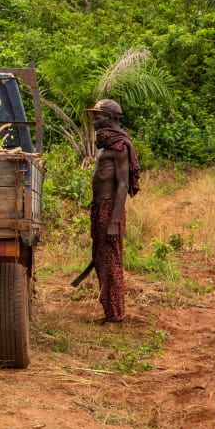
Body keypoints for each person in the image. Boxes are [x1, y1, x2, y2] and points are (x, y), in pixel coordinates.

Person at [85, 99, 140, 324]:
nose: (94, 121)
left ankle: (116, 315)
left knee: (111, 262)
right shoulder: (107, 145)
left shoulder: (119, 147)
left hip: (109, 210)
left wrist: (113, 221)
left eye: (98, 116)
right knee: (101, 260)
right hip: (100, 208)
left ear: (110, 119)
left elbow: (123, 185)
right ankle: (110, 312)